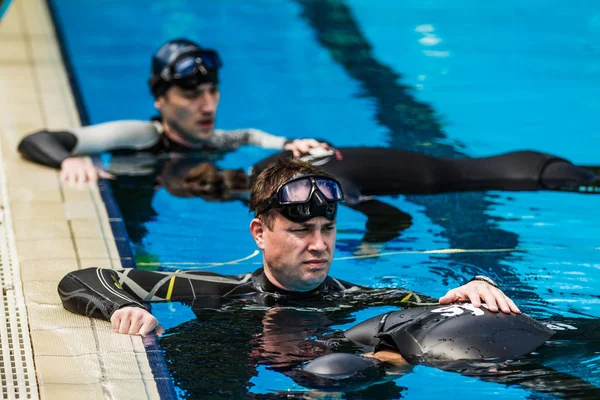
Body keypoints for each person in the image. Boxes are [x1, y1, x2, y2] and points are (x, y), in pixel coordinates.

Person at [57, 158, 519, 335]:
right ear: (260, 233)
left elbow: (433, 307)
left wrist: (472, 289)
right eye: (300, 231)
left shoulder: (362, 298)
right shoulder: (217, 292)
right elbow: (84, 279)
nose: (319, 245)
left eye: (327, 229)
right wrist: (123, 308)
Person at [16, 38, 332, 183]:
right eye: (192, 95)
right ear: (160, 100)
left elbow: (254, 136)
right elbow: (36, 140)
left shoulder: (217, 141)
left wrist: (290, 143)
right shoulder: (139, 135)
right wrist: (68, 158)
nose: (207, 106)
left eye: (212, 92)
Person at [154, 146, 597, 247]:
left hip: (529, 177)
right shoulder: (281, 159)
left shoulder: (312, 183)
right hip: (520, 166)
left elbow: (394, 219)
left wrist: (368, 247)